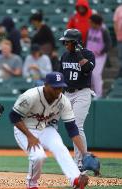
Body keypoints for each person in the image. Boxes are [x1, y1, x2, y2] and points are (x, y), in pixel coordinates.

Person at [9, 71, 89, 189]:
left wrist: (84, 154)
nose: (58, 91)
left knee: (60, 148)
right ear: (45, 85)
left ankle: (76, 179)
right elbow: (13, 116)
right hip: (24, 129)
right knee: (38, 156)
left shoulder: (63, 101)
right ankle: (32, 184)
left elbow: (72, 129)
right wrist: (30, 136)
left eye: (60, 87)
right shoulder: (31, 96)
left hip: (46, 129)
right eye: (55, 87)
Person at [59, 29, 95, 170]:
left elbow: (86, 69)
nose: (65, 44)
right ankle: (80, 161)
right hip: (67, 94)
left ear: (76, 42)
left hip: (82, 93)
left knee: (77, 126)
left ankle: (81, 162)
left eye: (68, 42)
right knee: (72, 128)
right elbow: (60, 77)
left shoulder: (88, 54)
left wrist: (79, 52)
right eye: (65, 42)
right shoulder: (65, 56)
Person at [86, 14, 112, 98]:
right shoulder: (89, 29)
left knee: (96, 74)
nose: (89, 23)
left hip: (99, 57)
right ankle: (91, 94)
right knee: (89, 75)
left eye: (91, 22)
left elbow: (108, 44)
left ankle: (98, 95)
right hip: (89, 56)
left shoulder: (103, 30)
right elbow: (86, 41)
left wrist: (101, 51)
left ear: (96, 23)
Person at [113, 4, 122, 77]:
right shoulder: (119, 9)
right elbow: (115, 22)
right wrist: (117, 34)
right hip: (120, 38)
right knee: (120, 55)